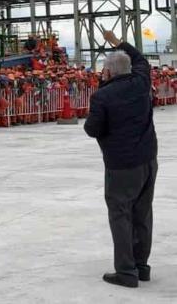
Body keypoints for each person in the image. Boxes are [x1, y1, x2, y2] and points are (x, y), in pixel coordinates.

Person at [84, 30, 158, 288]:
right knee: (143, 213)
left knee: (120, 215)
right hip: (148, 160)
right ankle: (141, 266)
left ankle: (126, 272)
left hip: (121, 165)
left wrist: (102, 87)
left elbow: (92, 129)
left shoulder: (102, 96)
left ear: (108, 72)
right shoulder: (141, 81)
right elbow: (141, 59)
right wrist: (118, 42)